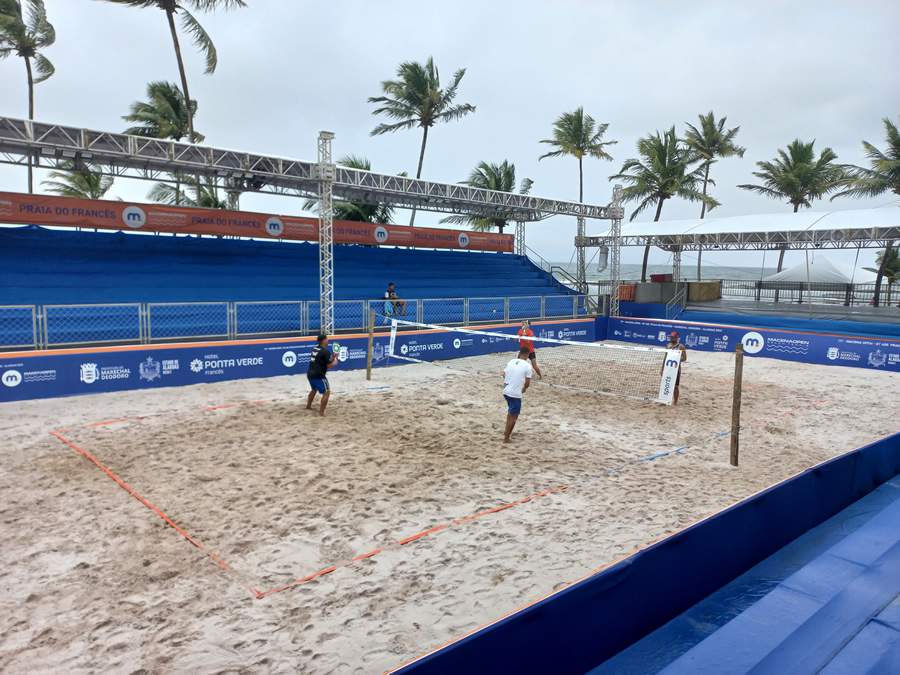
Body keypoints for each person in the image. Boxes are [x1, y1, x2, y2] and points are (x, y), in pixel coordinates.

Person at [502, 347, 533, 442]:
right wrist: (524, 389)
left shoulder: (511, 361)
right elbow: (527, 383)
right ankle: (506, 438)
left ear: (519, 354)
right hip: (515, 394)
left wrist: (507, 383)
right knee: (514, 417)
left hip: (506, 392)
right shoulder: (528, 366)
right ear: (527, 355)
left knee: (510, 413)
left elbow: (503, 374)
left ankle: (506, 432)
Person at [306, 334, 339, 416]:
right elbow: (329, 365)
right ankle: (321, 412)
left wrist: (333, 357)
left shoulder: (315, 348)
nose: (328, 340)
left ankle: (308, 406)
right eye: (327, 339)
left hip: (310, 374)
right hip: (318, 375)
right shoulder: (325, 351)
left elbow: (323, 359)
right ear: (323, 340)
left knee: (314, 389)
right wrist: (335, 360)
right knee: (327, 392)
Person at [666, 330, 688, 404]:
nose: (671, 338)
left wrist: (676, 359)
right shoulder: (668, 345)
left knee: (675, 386)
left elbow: (684, 358)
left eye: (672, 337)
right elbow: (665, 357)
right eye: (670, 337)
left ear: (676, 338)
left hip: (676, 369)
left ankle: (675, 401)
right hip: (667, 367)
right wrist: (662, 369)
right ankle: (665, 399)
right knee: (666, 383)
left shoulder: (681, 346)